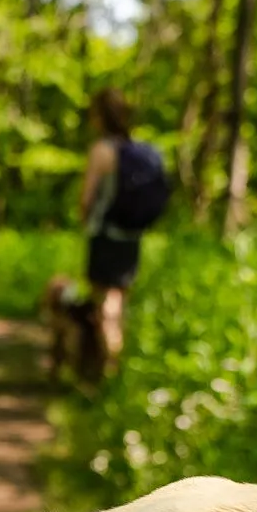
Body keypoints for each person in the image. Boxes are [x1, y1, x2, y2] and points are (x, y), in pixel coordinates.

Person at [79, 88, 167, 372]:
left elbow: (87, 200)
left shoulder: (102, 150)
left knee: (105, 305)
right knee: (119, 301)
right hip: (132, 238)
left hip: (105, 236)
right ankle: (115, 366)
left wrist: (84, 221)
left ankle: (109, 368)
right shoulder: (140, 151)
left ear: (98, 117)